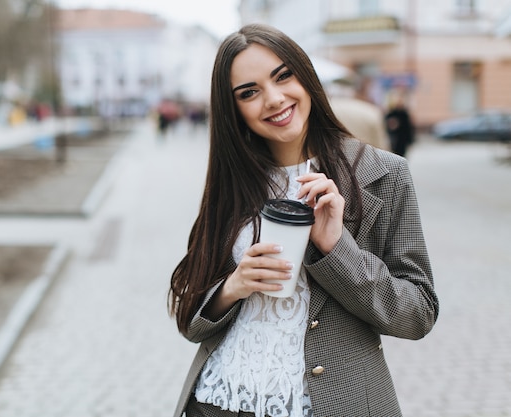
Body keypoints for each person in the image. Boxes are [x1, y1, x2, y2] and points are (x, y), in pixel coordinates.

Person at [168, 24, 438, 417]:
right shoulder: (233, 182)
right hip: (217, 402)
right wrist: (232, 287)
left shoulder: (382, 174)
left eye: (283, 76)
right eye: (249, 92)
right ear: (234, 110)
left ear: (305, 74)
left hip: (330, 405)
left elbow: (418, 314)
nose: (274, 99)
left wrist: (336, 249)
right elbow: (190, 319)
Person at [384, 92, 415, 157]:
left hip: (402, 140)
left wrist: (410, 141)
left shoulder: (405, 114)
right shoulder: (390, 113)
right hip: (392, 140)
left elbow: (409, 128)